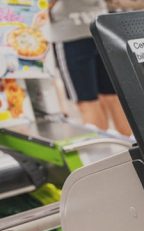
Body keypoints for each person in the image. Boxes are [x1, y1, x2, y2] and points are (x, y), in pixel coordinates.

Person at [48, 0, 132, 136]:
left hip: (75, 31)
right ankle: (131, 150)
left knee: (90, 101)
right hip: (97, 27)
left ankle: (109, 153)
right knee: (112, 97)